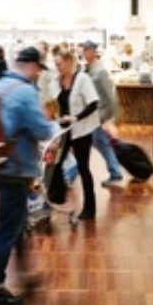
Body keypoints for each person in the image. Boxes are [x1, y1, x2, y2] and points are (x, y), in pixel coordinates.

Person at [0, 47, 55, 305]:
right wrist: (52, 125)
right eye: (38, 68)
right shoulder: (25, 92)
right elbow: (39, 128)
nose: (38, 73)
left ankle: (25, 275)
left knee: (17, 222)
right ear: (31, 65)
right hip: (16, 166)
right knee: (8, 227)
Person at [49, 49, 101, 220]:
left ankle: (90, 208)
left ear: (69, 61)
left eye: (59, 64)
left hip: (81, 131)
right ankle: (54, 199)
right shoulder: (55, 82)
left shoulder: (82, 79)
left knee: (83, 168)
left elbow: (93, 103)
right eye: (55, 64)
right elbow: (53, 105)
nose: (57, 68)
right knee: (56, 163)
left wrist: (76, 117)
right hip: (64, 131)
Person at [79, 41, 123, 185]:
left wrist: (110, 117)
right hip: (91, 115)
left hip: (98, 115)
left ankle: (68, 174)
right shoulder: (87, 69)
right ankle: (115, 173)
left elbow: (110, 96)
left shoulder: (100, 71)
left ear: (93, 51)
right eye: (83, 50)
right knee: (99, 144)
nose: (83, 53)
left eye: (86, 50)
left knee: (88, 144)